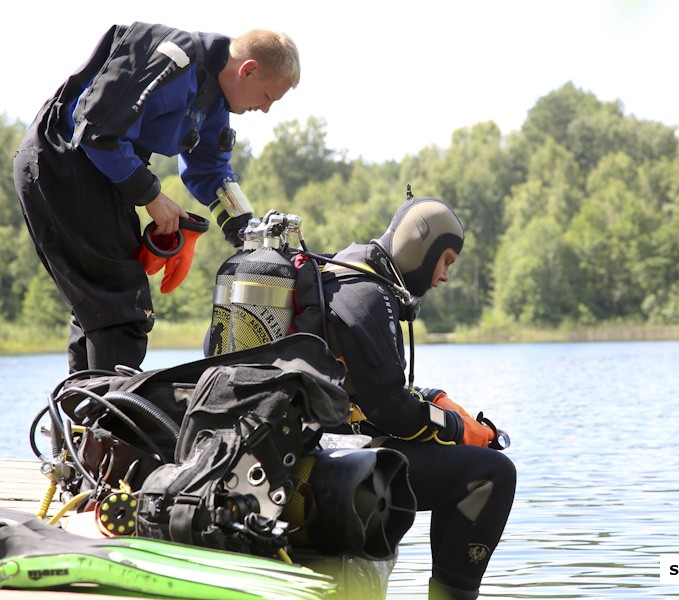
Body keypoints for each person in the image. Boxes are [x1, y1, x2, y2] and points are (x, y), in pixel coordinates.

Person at [13, 22, 300, 373]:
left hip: (100, 173)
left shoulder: (214, 98)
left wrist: (248, 232)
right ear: (249, 69)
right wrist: (152, 196)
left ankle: (85, 418)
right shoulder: (174, 59)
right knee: (123, 310)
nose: (266, 109)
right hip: (63, 161)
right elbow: (95, 131)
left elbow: (210, 171)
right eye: (269, 97)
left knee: (101, 307)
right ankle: (110, 421)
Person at [293, 192, 517, 600]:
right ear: (421, 246)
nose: (445, 275)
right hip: (327, 469)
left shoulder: (341, 272)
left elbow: (363, 389)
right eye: (446, 260)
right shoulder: (367, 292)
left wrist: (434, 398)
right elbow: (391, 410)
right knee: (493, 474)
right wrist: (456, 427)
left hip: (308, 451)